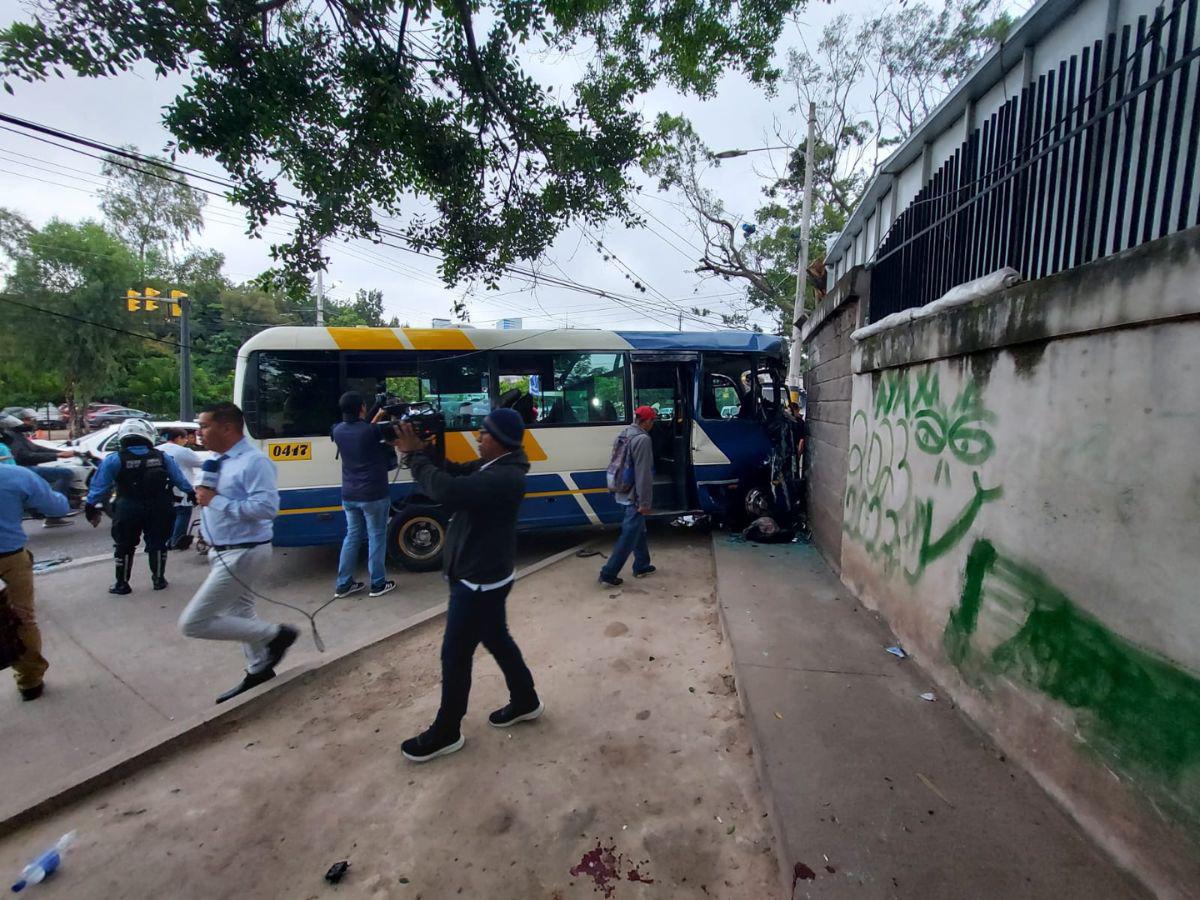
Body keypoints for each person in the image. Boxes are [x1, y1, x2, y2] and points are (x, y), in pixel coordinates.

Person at [393, 407, 541, 763]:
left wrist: (414, 456)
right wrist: (428, 451)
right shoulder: (495, 467)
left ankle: (447, 731)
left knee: (455, 655)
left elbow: (449, 491)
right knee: (497, 639)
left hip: (478, 582)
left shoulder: (505, 477)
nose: (477, 436)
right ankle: (526, 700)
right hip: (486, 576)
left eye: (484, 433)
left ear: (501, 441)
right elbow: (454, 473)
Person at [178, 402, 298, 704]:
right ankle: (258, 671)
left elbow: (267, 509)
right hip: (221, 551)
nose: (199, 433)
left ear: (227, 427)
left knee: (194, 622)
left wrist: (215, 502)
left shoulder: (253, 462)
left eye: (205, 426)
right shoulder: (216, 462)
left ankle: (277, 635)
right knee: (240, 613)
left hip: (243, 553)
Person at [84, 419, 194, 594]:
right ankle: (159, 580)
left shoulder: (114, 460)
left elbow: (99, 487)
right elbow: (180, 481)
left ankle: (121, 584)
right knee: (158, 543)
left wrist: (90, 507)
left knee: (124, 545)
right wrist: (192, 494)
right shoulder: (162, 457)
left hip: (128, 507)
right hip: (159, 507)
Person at [0, 463, 70, 700]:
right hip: (9, 560)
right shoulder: (15, 476)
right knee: (22, 619)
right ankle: (30, 682)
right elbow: (57, 506)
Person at [331, 391, 398, 600]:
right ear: (361, 407)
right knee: (376, 537)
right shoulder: (371, 432)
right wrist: (391, 415)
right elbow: (390, 437)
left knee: (352, 537)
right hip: (373, 494)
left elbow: (364, 428)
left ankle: (343, 584)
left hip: (349, 495)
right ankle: (377, 583)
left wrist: (376, 414)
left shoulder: (337, 430)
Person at [599, 405, 657, 587]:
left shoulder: (624, 433)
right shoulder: (642, 439)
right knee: (629, 533)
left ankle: (642, 564)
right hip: (634, 494)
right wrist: (645, 502)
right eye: (653, 421)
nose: (653, 424)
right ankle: (608, 573)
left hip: (622, 489)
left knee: (637, 528)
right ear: (646, 421)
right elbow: (643, 474)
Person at [0, 410, 77, 527]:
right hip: (21, 470)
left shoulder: (16, 435)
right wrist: (56, 455)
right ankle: (53, 513)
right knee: (65, 473)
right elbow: (24, 456)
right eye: (26, 419)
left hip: (16, 470)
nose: (30, 422)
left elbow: (35, 448)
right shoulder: (11, 436)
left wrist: (61, 453)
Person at [158, 427, 203, 550]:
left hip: (162, 488)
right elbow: (201, 463)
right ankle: (177, 540)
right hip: (181, 488)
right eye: (185, 438)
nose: (186, 441)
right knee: (182, 513)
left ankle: (167, 540)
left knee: (168, 516)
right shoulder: (182, 451)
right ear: (178, 438)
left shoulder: (157, 450)